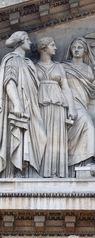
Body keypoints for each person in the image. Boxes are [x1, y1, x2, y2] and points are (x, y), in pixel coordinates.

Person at [0, 31, 47, 177]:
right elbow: (9, 82)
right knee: (19, 134)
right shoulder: (13, 59)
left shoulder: (27, 62)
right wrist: (17, 104)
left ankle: (29, 167)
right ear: (19, 42)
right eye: (27, 39)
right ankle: (18, 169)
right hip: (20, 106)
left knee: (40, 136)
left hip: (31, 105)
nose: (30, 42)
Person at [63, 37, 95, 175]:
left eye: (80, 47)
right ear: (70, 49)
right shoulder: (64, 67)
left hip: (82, 103)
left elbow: (92, 89)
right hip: (67, 103)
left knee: (88, 125)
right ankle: (84, 160)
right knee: (89, 125)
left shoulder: (88, 69)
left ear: (85, 51)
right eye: (74, 47)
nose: (76, 50)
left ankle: (83, 160)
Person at [36, 37, 77, 178]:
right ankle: (42, 171)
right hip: (40, 106)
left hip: (59, 106)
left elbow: (66, 89)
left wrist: (71, 108)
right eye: (52, 45)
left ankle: (57, 172)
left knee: (57, 139)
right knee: (42, 138)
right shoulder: (33, 67)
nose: (56, 47)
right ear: (44, 48)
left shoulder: (59, 67)